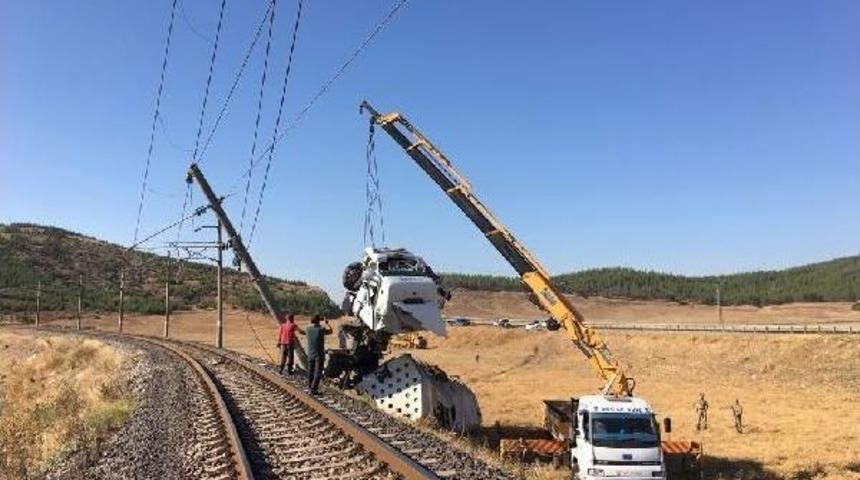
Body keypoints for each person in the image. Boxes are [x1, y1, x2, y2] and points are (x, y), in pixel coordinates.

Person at [300, 314, 332, 395]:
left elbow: (303, 332)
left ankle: (310, 387)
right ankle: (313, 390)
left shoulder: (308, 329)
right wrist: (327, 322)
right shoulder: (321, 329)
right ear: (319, 321)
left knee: (310, 371)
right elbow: (331, 331)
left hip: (310, 354)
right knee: (318, 372)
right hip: (319, 355)